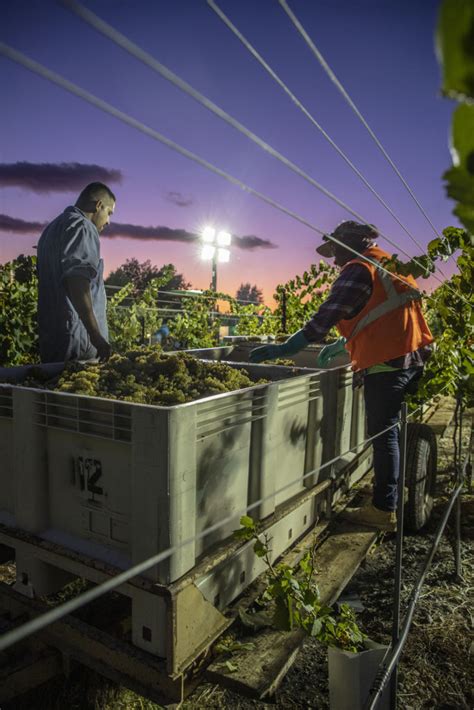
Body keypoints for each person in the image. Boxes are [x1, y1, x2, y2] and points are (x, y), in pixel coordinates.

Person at [250, 221, 434, 532]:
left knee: (384, 434)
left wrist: (287, 346)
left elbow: (326, 316)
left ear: (347, 244)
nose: (334, 260)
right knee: (388, 432)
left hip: (388, 363)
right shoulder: (389, 264)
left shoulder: (358, 269)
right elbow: (381, 313)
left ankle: (382, 509)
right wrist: (342, 343)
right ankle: (387, 495)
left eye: (335, 251)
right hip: (411, 356)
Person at [37, 182, 115, 363]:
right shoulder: (83, 227)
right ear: (98, 206)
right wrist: (95, 335)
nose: (109, 220)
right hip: (79, 343)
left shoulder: (51, 229)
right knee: (79, 387)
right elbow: (76, 280)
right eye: (109, 212)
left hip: (53, 340)